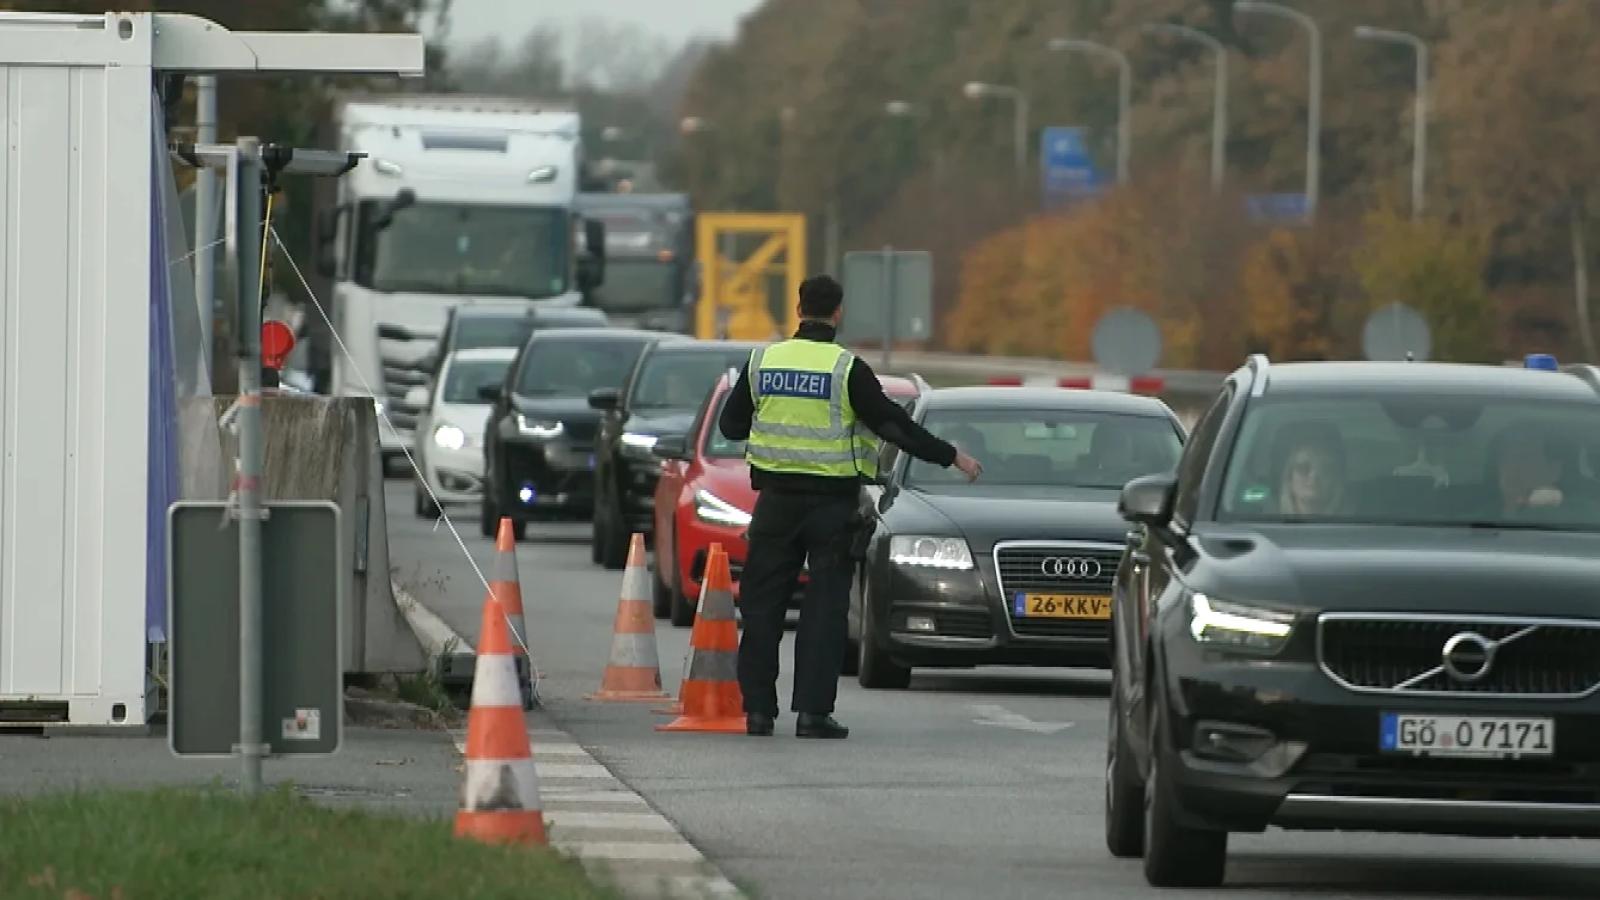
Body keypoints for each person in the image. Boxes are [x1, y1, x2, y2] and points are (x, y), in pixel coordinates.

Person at [719, 275, 983, 739]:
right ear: (837, 313)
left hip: (775, 505)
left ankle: (758, 712)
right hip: (831, 508)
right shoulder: (847, 369)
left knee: (762, 610)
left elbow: (732, 425)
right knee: (823, 613)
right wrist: (951, 456)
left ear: (799, 309)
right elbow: (894, 426)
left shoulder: (763, 361)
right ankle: (812, 715)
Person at [1274, 422, 1347, 516]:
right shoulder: (1261, 523)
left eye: (1324, 470)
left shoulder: (1353, 524)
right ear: (1289, 479)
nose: (1314, 476)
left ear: (1335, 480)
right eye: (1303, 468)